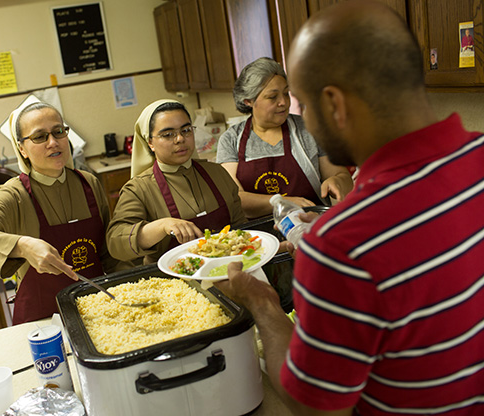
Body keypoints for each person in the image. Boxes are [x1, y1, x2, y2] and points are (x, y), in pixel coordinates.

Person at [215, 1, 484, 414]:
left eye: (300, 100)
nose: (293, 110)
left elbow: (318, 407)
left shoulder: (340, 247)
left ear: (334, 104)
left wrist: (263, 303)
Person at [0, 100, 128, 324]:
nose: (53, 142)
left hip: (98, 309)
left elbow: (109, 251)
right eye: (40, 137)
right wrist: (23, 246)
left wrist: (126, 291)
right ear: (22, 148)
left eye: (58, 132)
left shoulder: (89, 183)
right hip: (43, 320)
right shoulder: (13, 194)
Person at [106, 99, 246, 264]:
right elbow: (116, 242)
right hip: (175, 284)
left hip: (232, 269)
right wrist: (162, 226)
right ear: (150, 142)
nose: (180, 139)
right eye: (168, 134)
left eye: (186, 130)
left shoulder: (217, 173)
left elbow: (241, 227)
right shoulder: (138, 189)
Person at [216, 57, 353, 219]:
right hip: (259, 238)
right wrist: (284, 202)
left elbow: (342, 176)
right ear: (249, 101)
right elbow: (234, 198)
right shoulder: (231, 140)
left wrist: (338, 181)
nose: (283, 102)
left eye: (286, 93)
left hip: (310, 225)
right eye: (272, 97)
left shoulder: (310, 129)